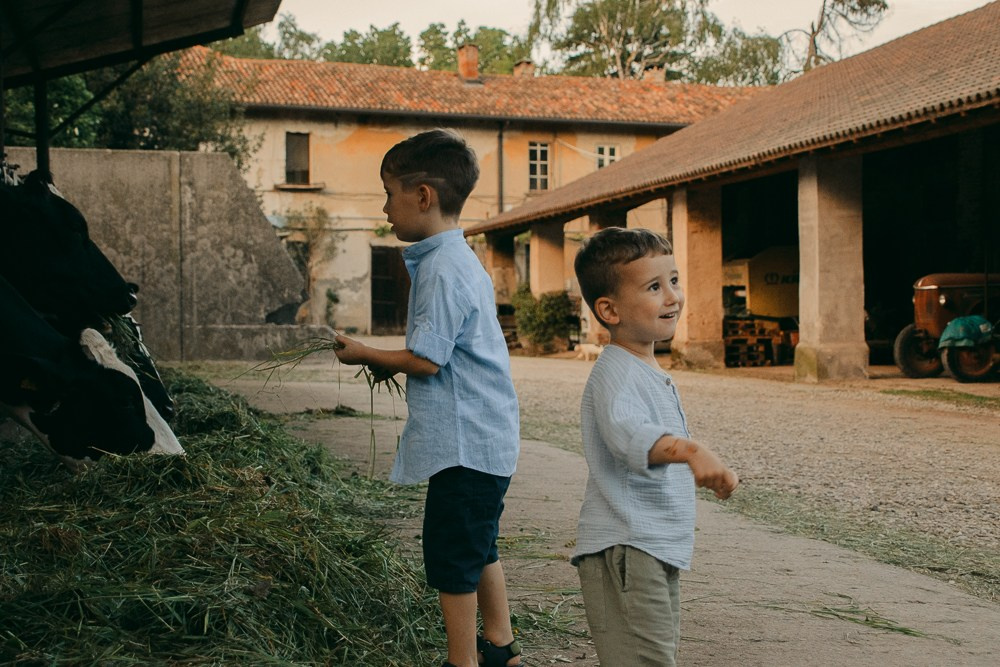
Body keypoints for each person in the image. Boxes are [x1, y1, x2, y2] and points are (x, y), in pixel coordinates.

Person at [332, 129, 523, 667]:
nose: (384, 208)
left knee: (451, 558)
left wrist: (366, 352)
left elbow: (426, 360)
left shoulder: (441, 268)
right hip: (483, 438)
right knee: (479, 545)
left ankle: (462, 661)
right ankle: (500, 645)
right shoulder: (458, 259)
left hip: (465, 443)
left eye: (389, 193)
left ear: (423, 196)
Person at [571, 226, 739, 666]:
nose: (672, 297)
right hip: (628, 547)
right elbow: (629, 437)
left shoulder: (642, 367)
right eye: (653, 287)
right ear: (609, 309)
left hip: (651, 545)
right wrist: (690, 451)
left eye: (674, 280)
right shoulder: (616, 374)